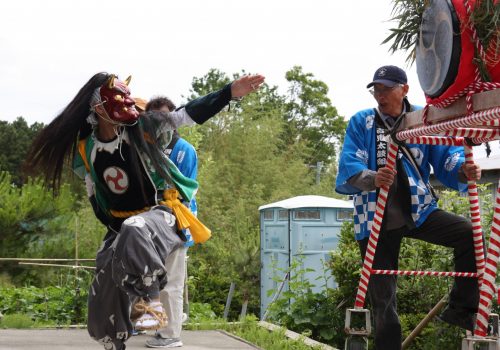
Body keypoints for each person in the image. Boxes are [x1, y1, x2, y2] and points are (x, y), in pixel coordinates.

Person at [24, 72, 264, 350]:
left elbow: (185, 115)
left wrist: (228, 93)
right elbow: (94, 191)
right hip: (122, 225)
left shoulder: (145, 127)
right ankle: (115, 339)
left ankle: (150, 303)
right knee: (103, 296)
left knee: (136, 228)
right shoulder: (86, 147)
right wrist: (109, 231)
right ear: (98, 108)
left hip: (162, 214)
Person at [335, 65, 482, 350]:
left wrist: (464, 170)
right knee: (383, 299)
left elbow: (447, 157)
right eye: (376, 89)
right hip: (374, 218)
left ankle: (462, 308)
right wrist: (373, 178)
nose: (380, 95)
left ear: (404, 89)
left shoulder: (423, 119)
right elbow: (349, 165)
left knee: (468, 234)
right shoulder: (362, 121)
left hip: (419, 209)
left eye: (387, 89)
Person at [144, 96, 198, 348]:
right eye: (153, 118)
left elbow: (186, 191)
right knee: (149, 280)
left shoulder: (185, 150)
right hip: (147, 224)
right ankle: (158, 327)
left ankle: (171, 335)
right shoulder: (143, 148)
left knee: (172, 282)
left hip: (176, 223)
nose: (159, 123)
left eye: (164, 117)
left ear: (173, 119)